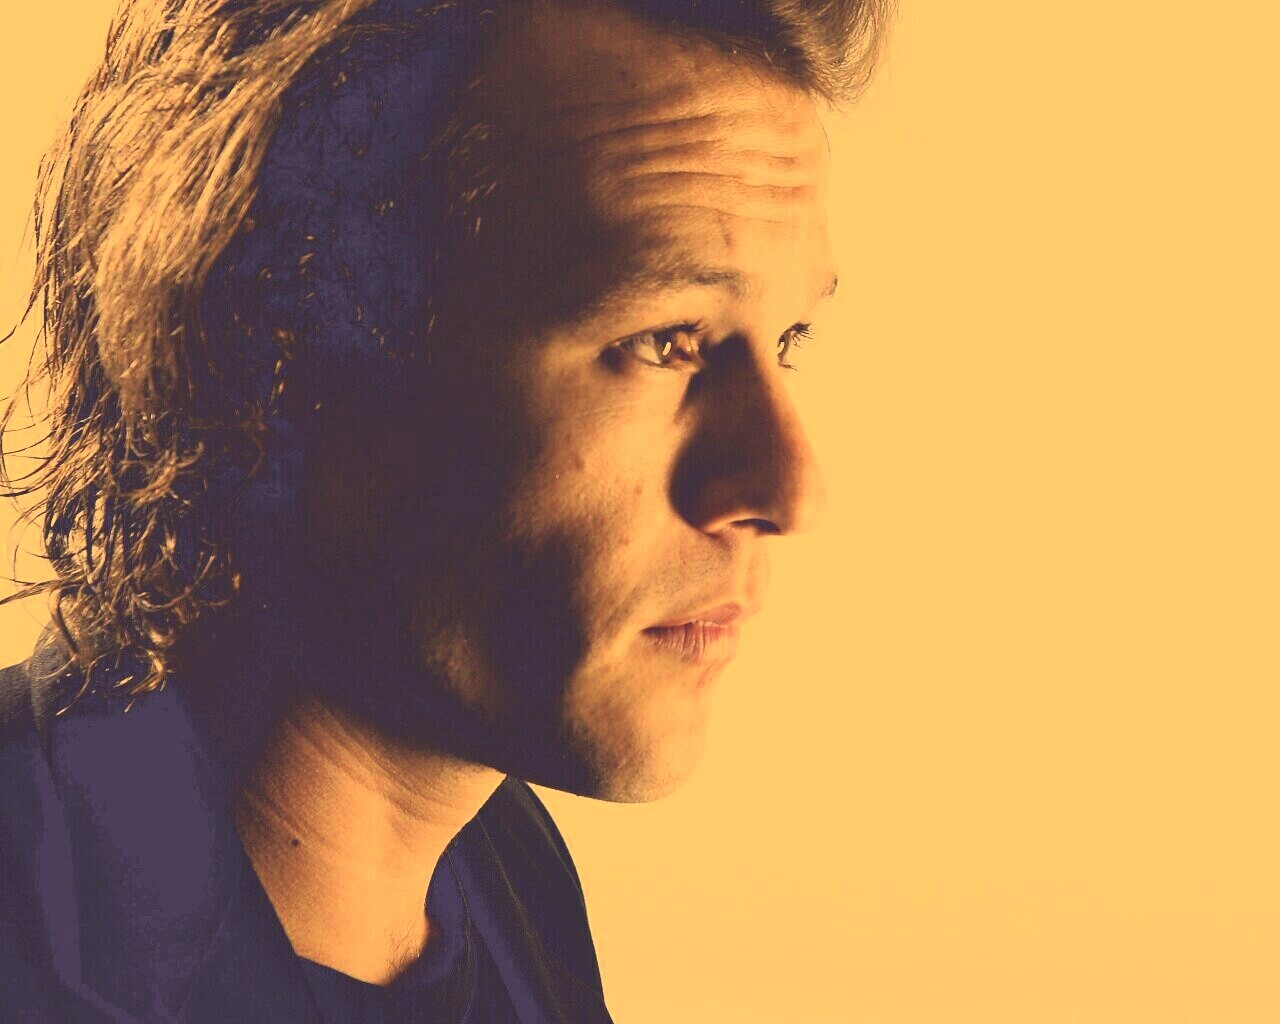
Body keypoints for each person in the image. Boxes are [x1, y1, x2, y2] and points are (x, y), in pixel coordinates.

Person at [0, 0, 893, 1020]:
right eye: (665, 340)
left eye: (788, 340)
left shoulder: (503, 875)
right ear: (277, 354)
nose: (787, 489)